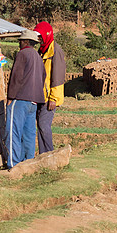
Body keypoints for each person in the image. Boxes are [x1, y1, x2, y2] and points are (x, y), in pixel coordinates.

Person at [5, 30, 46, 168]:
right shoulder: (38, 57)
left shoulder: (22, 54)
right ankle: (28, 163)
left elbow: (16, 77)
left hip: (20, 98)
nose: (19, 43)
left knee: (13, 132)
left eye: (20, 41)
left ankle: (14, 164)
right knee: (29, 134)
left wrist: (10, 96)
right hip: (34, 101)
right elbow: (43, 77)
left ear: (26, 42)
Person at [33, 21, 66, 154]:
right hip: (41, 95)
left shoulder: (55, 51)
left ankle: (49, 154)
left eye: (40, 36)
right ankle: (44, 154)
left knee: (43, 125)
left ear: (47, 34)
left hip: (49, 98)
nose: (39, 39)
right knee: (41, 126)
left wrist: (54, 98)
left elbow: (57, 76)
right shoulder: (42, 50)